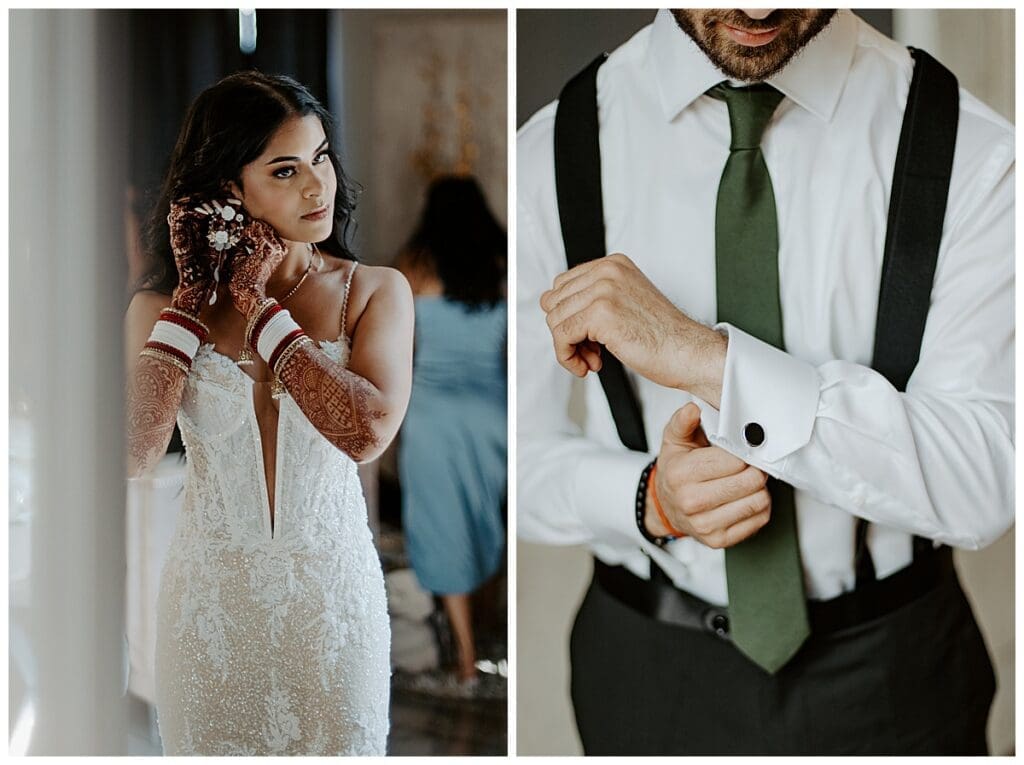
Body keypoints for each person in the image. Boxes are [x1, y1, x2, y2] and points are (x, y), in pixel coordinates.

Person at [518, 9, 1013, 756]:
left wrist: (708, 360)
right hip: (649, 673)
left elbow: (984, 481)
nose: (754, 10)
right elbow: (514, 457)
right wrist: (648, 497)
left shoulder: (975, 150)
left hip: (895, 674)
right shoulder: (549, 152)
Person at [124, 72, 414, 755]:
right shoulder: (160, 310)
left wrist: (260, 310)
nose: (318, 188)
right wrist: (194, 301)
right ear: (228, 187)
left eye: (321, 158)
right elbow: (132, 453)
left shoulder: (373, 291)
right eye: (286, 170)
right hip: (210, 614)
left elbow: (367, 433)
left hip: (332, 611)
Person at [395, 176, 507, 694]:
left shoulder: (413, 267)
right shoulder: (503, 262)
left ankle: (464, 658)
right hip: (492, 414)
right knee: (489, 520)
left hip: (433, 415)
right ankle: (494, 632)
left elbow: (397, 350)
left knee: (446, 528)